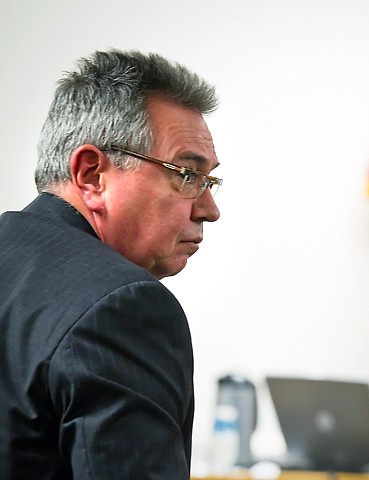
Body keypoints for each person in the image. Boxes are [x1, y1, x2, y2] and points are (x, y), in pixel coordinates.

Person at [0, 49, 222, 479]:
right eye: (187, 174)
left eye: (209, 180)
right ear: (91, 175)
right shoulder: (123, 307)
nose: (209, 209)